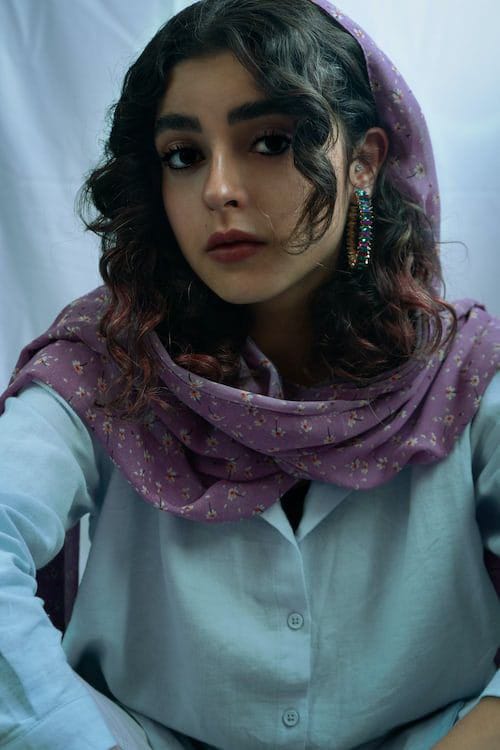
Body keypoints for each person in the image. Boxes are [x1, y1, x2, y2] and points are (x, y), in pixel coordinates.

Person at [1, 0, 500, 748]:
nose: (218, 189)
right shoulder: (105, 361)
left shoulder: (461, 369)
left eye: (270, 141)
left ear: (363, 161)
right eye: (183, 154)